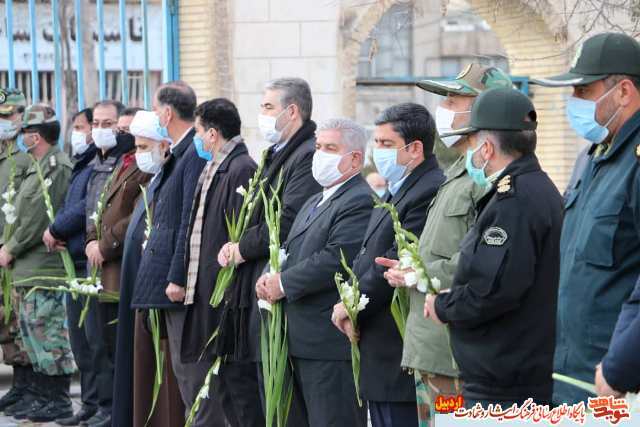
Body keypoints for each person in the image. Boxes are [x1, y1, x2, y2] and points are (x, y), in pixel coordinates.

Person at [378, 64, 512, 426]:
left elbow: (484, 261)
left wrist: (418, 275)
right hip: (432, 347)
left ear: (484, 107)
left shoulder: (488, 178)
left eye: (455, 99)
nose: (445, 108)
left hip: (455, 352)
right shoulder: (459, 172)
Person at [422, 87, 563, 408]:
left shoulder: (514, 201)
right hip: (513, 370)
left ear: (486, 148)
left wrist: (444, 307)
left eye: (471, 143)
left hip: (505, 382)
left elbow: (494, 288)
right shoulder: (532, 189)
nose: (468, 152)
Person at [532, 32, 640, 405]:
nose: (572, 101)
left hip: (615, 382)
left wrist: (620, 367)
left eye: (583, 91)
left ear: (624, 91)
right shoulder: (591, 158)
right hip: (570, 373)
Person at [216, 77, 321, 425]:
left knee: (277, 399)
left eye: (267, 107)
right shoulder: (277, 154)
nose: (260, 115)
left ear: (291, 111)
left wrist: (241, 248)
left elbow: (286, 221)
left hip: (275, 284)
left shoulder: (305, 157)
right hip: (254, 283)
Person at [332, 103, 445, 427]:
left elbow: (393, 263)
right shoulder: (400, 189)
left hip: (397, 348)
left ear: (415, 149)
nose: (376, 152)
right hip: (378, 348)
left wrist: (351, 305)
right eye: (375, 143)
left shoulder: (429, 189)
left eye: (385, 144)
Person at [256, 118, 373, 427]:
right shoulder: (314, 199)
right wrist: (270, 274)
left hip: (327, 344)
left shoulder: (359, 200)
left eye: (330, 148)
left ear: (355, 158)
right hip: (297, 339)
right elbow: (289, 249)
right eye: (319, 147)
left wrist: (282, 283)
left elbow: (335, 258)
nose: (320, 154)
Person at [129, 81, 224, 427]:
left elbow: (190, 220)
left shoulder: (193, 154)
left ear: (168, 112)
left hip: (180, 287)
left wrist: (177, 275)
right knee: (185, 379)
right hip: (170, 285)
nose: (155, 115)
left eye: (156, 109)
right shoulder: (180, 153)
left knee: (195, 380)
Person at [181, 98, 257, 426]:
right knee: (217, 380)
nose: (196, 138)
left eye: (198, 131)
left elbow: (239, 234)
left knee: (234, 387)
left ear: (212, 134)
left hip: (225, 295)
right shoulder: (214, 166)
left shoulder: (241, 168)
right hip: (207, 292)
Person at [0, 105, 75, 421]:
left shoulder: (55, 166)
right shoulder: (36, 165)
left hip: (43, 267)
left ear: (36, 135)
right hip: (27, 267)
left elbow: (36, 217)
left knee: (49, 336)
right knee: (31, 336)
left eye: (26, 130)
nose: (21, 136)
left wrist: (11, 247)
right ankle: (39, 396)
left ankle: (56, 400)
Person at [112, 109, 185, 427]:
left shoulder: (171, 177)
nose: (139, 154)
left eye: (144, 147)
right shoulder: (156, 179)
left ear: (165, 145)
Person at [84, 108, 151, 427]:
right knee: (98, 342)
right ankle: (103, 404)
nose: (123, 136)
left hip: (118, 264)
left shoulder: (144, 167)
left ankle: (114, 409)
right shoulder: (119, 165)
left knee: (114, 342)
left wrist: (105, 243)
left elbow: (137, 215)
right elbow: (98, 207)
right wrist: (90, 240)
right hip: (100, 266)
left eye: (127, 130)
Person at [41, 108, 99, 426]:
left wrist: (57, 229)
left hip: (84, 263)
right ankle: (89, 404)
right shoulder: (83, 162)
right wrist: (57, 227)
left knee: (93, 342)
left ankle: (99, 404)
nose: (76, 132)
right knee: (80, 341)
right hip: (73, 262)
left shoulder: (96, 165)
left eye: (81, 127)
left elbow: (84, 207)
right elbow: (67, 203)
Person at [0, 88, 32, 413]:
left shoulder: (25, 161)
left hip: (14, 253)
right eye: (2, 116)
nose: (7, 122)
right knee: (5, 324)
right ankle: (18, 384)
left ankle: (27, 386)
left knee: (20, 322)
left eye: (11, 115)